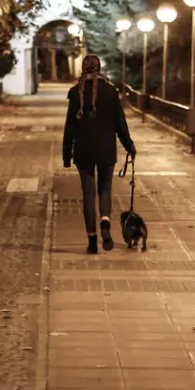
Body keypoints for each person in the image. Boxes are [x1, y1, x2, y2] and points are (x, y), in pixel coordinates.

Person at [62, 55, 136, 254]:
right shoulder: (111, 92)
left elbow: (69, 128)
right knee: (105, 189)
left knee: (88, 194)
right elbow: (120, 124)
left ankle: (92, 240)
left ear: (83, 69)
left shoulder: (75, 93)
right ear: (99, 68)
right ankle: (105, 219)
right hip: (106, 149)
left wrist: (66, 156)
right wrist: (129, 146)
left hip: (83, 151)